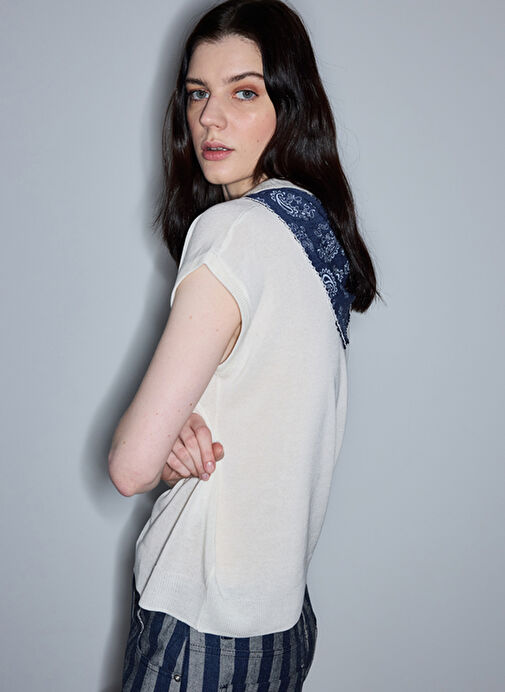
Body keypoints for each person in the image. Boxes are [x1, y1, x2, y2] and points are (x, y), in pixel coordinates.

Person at [109, 0, 380, 689]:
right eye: (197, 93)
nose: (209, 118)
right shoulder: (315, 232)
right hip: (281, 622)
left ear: (289, 106)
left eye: (244, 92)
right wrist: (181, 423)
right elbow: (258, 402)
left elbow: (130, 467)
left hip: (199, 620)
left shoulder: (232, 230)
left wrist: (156, 439)